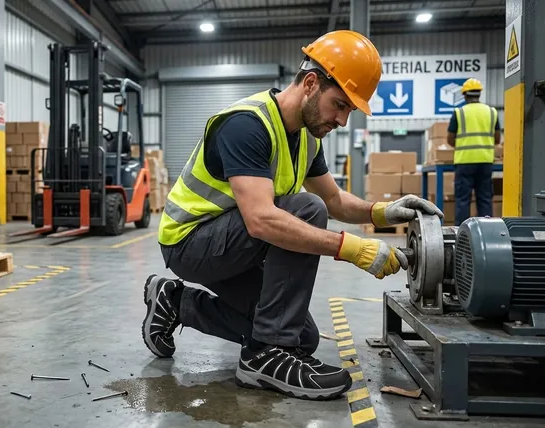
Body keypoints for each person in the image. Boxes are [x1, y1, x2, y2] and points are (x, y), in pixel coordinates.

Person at [140, 30, 443, 401]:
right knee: (305, 209)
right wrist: (351, 248)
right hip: (190, 243)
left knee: (302, 336)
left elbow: (334, 199)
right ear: (311, 83)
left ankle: (175, 302)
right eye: (340, 105)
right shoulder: (246, 125)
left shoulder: (307, 136)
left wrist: (382, 212)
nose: (343, 121)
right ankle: (264, 357)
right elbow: (262, 220)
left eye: (349, 110)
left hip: (233, 246)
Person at [447, 78, 500, 225]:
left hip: (465, 162)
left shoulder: (459, 112)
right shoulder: (492, 112)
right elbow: (497, 138)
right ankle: (487, 232)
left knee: (463, 200)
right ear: (479, 93)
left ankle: (461, 235)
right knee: (484, 198)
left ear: (464, 95)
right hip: (485, 162)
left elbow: (450, 139)